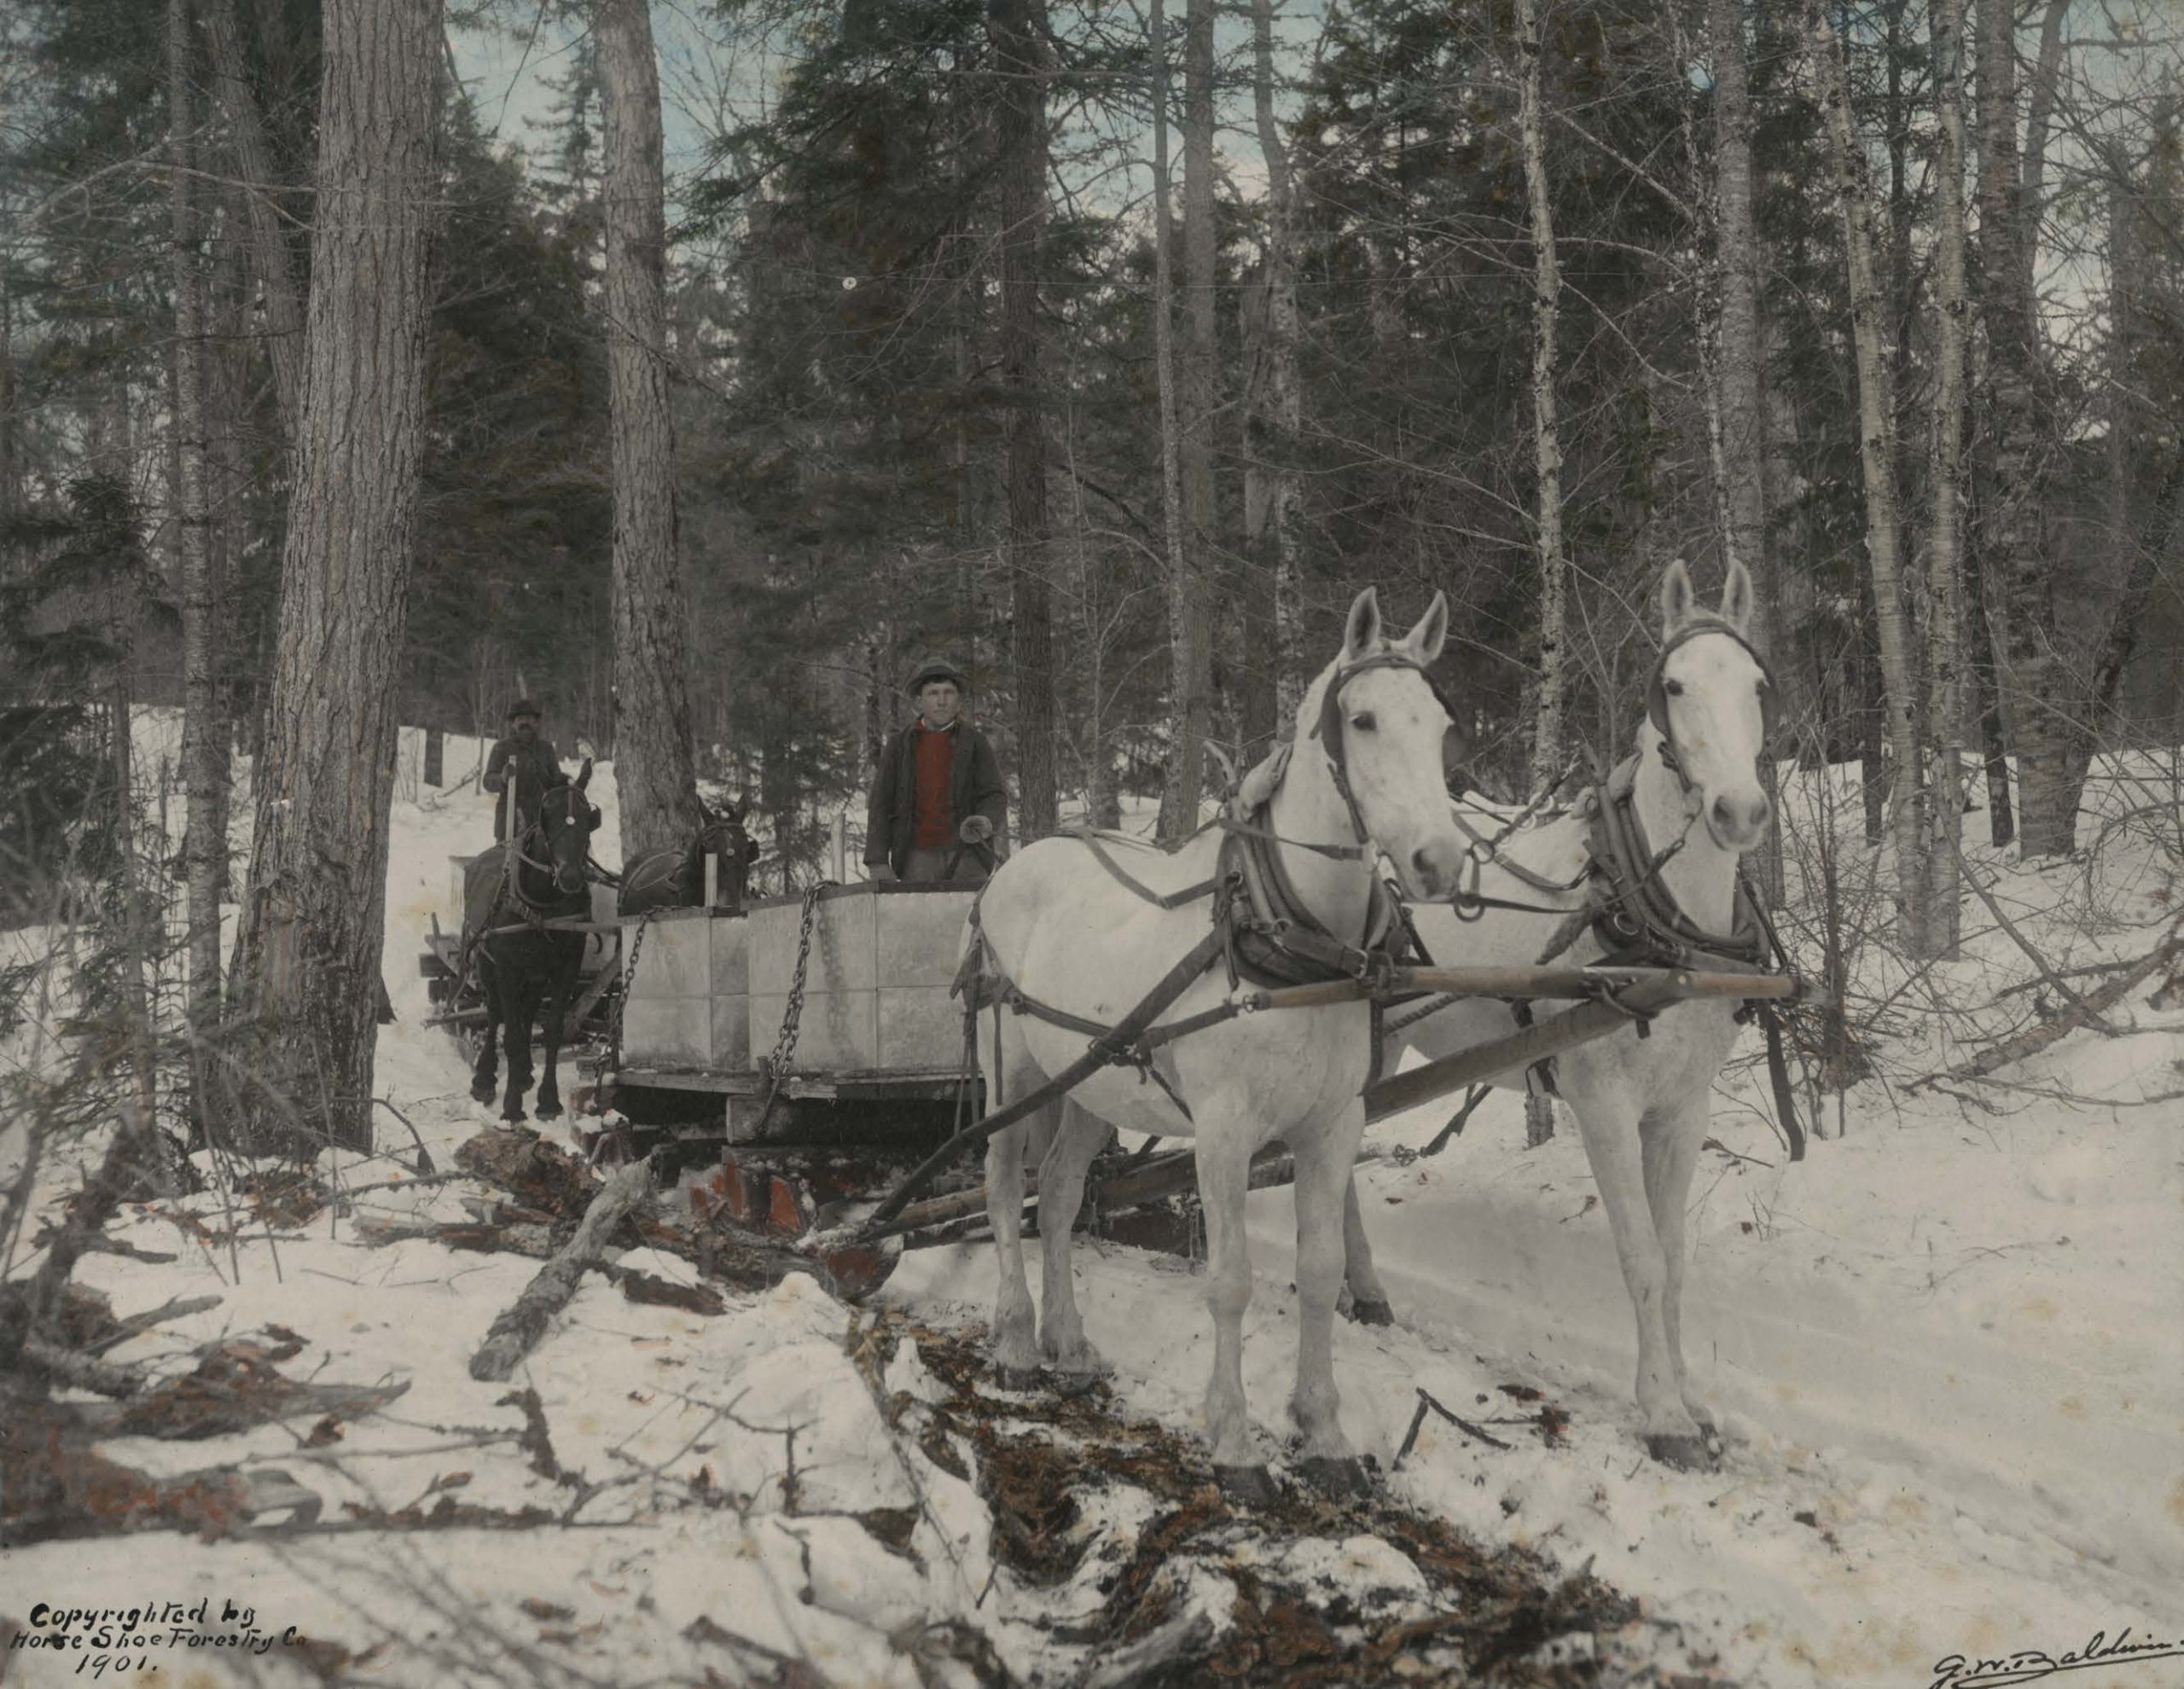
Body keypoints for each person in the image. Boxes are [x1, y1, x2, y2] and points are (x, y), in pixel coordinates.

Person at [865, 656, 1008, 885]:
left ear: (958, 700)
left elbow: (995, 795)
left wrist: (985, 820)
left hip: (968, 856)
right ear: (919, 702)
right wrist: (877, 861)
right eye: (933, 693)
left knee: (971, 918)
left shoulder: (975, 742)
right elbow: (880, 803)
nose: (941, 701)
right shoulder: (899, 746)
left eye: (948, 693)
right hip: (917, 858)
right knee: (922, 919)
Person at [482, 699, 565, 841]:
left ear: (536, 723)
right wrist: (502, 778)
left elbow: (557, 783)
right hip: (509, 822)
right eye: (520, 719)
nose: (525, 723)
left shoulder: (546, 749)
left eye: (530, 719)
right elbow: (488, 781)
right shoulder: (501, 748)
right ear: (513, 723)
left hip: (540, 821)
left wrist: (564, 781)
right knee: (506, 860)